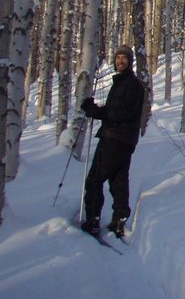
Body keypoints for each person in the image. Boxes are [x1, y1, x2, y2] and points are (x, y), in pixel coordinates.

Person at [80, 46, 145, 238]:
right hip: (123, 139)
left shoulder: (131, 85)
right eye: (118, 58)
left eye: (124, 58)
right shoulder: (122, 83)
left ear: (130, 62)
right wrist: (99, 110)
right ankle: (119, 220)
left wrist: (96, 112)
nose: (120, 61)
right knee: (118, 180)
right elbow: (116, 110)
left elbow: (121, 113)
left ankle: (93, 219)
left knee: (94, 179)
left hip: (115, 138)